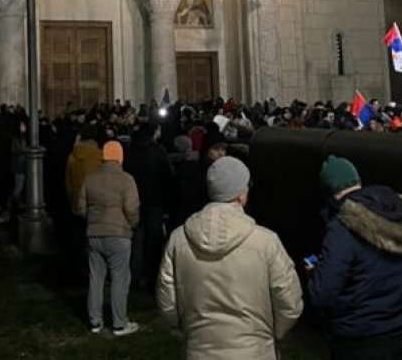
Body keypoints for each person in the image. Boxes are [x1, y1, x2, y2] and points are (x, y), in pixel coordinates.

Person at [157, 156, 303, 359]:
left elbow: (168, 301)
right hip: (254, 351)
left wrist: (185, 330)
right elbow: (289, 302)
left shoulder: (178, 239)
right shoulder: (266, 242)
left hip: (200, 349)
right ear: (242, 194)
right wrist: (272, 335)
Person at [307, 156, 402, 360]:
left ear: (329, 193)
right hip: (400, 335)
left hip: (357, 340)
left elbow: (322, 294)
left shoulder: (342, 228)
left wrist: (315, 274)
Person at [74, 140, 141, 337]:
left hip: (94, 233)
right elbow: (131, 208)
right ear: (120, 157)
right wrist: (132, 224)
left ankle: (95, 322)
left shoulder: (90, 178)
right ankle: (119, 324)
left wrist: (92, 220)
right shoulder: (126, 179)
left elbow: (79, 207)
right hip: (119, 234)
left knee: (96, 278)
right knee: (120, 278)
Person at [124, 122, 172, 290]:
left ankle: (135, 275)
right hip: (154, 202)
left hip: (135, 200)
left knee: (136, 239)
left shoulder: (130, 150)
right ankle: (152, 275)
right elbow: (167, 176)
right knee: (153, 240)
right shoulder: (157, 151)